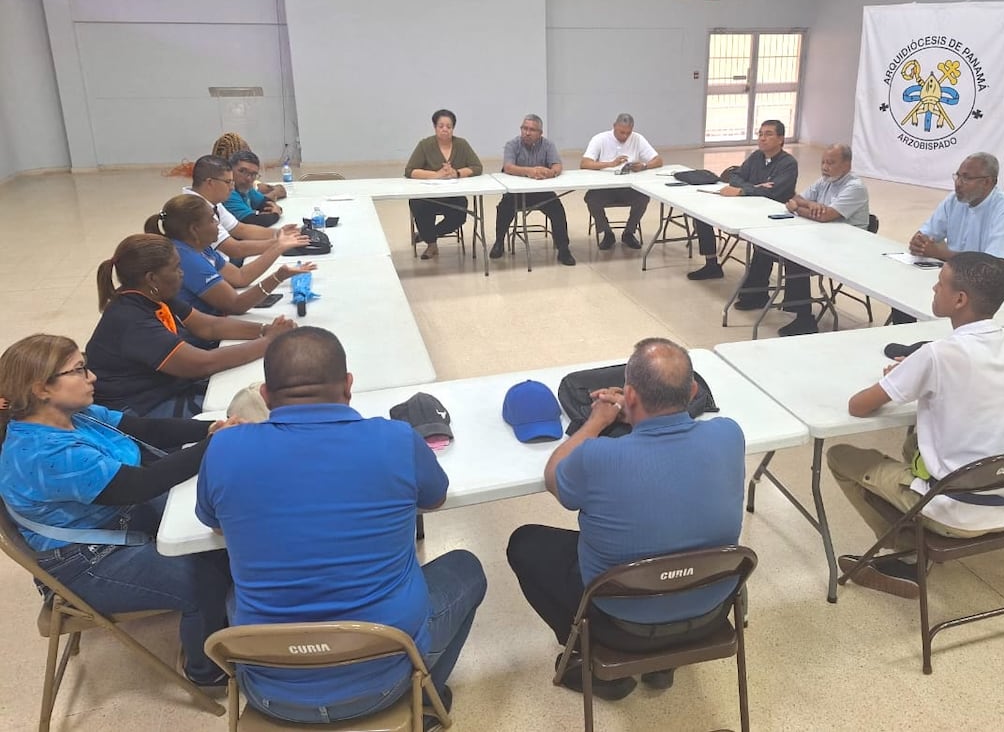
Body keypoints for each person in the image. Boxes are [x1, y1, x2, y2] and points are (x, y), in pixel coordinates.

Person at [196, 327, 487, 728]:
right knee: (468, 567)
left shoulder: (225, 448)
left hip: (268, 690)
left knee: (235, 591)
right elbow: (434, 498)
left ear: (264, 395)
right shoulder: (396, 439)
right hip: (385, 681)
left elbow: (214, 523)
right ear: (349, 385)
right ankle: (423, 699)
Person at [507, 338, 745, 700]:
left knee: (525, 543)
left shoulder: (597, 456)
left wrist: (596, 421)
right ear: (693, 391)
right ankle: (663, 665)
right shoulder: (729, 435)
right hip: (711, 612)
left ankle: (593, 661)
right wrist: (637, 414)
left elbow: (554, 475)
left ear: (630, 395)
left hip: (620, 626)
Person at [0, 334, 235, 687]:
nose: (92, 377)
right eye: (79, 370)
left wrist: (213, 428)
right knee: (203, 582)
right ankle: (206, 672)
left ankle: (221, 622)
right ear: (41, 389)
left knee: (217, 533)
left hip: (115, 518)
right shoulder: (47, 454)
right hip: (85, 560)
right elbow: (140, 485)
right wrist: (214, 444)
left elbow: (146, 428)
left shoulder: (76, 416)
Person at [828, 252, 1004, 598]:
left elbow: (859, 405)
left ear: (960, 300)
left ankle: (906, 555)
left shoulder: (937, 355)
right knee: (915, 443)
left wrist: (904, 373)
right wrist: (916, 370)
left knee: (840, 456)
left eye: (940, 283)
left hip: (955, 511)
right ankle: (912, 545)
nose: (934, 288)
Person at [87, 233, 295, 418]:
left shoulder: (153, 296)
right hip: (139, 408)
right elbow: (202, 364)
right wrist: (269, 342)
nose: (182, 273)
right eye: (176, 268)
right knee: (256, 409)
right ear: (152, 278)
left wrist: (265, 330)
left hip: (164, 388)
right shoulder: (131, 319)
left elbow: (209, 327)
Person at [733, 143, 870, 336]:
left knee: (795, 256)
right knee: (767, 243)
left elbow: (824, 215)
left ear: (847, 165)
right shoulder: (825, 181)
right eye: (823, 162)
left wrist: (798, 208)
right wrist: (808, 205)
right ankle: (756, 293)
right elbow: (795, 198)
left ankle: (805, 318)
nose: (825, 167)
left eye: (831, 163)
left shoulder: (854, 187)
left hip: (847, 246)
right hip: (822, 236)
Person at [146, 194, 315, 316]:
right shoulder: (186, 259)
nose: (217, 223)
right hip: (204, 340)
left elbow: (240, 277)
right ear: (194, 229)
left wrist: (278, 246)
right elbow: (236, 305)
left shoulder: (199, 246)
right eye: (212, 219)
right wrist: (278, 275)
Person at [685, 120, 798, 281]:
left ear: (780, 139)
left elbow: (772, 192)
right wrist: (752, 187)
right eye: (760, 134)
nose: (762, 138)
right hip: (745, 204)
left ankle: (757, 285)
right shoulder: (757, 156)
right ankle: (711, 264)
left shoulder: (788, 164)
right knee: (702, 214)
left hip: (768, 214)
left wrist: (742, 190)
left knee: (762, 245)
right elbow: (735, 176)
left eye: (768, 134)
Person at [490, 114, 576, 266]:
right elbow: (508, 167)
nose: (527, 133)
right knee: (504, 208)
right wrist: (529, 171)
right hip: (516, 193)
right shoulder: (512, 144)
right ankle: (499, 242)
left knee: (557, 209)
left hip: (541, 192)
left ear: (540, 133)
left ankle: (563, 249)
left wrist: (551, 172)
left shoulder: (548, 145)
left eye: (532, 130)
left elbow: (557, 165)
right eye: (524, 128)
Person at [186, 155, 307, 262]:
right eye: (228, 182)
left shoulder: (212, 201)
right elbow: (235, 249)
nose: (232, 187)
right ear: (210, 183)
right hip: (218, 268)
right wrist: (280, 243)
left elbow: (241, 229)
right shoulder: (195, 210)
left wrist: (280, 233)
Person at [404, 109, 484, 260]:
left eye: (449, 126)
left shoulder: (461, 144)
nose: (445, 129)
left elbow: (477, 167)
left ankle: (426, 235)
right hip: (428, 196)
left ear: (453, 128)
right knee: (417, 204)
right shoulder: (425, 145)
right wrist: (436, 175)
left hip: (453, 196)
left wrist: (457, 173)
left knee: (460, 213)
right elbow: (410, 171)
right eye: (441, 126)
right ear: (435, 127)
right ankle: (431, 244)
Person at [579, 113, 663, 251]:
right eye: (621, 132)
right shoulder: (600, 139)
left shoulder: (637, 138)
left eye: (628, 133)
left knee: (643, 198)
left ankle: (629, 232)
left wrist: (644, 166)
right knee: (591, 199)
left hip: (629, 187)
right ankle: (607, 233)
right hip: (604, 187)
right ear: (614, 126)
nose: (624, 136)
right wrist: (610, 164)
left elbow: (658, 160)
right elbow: (584, 163)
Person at [224, 150, 287, 227]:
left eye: (253, 174)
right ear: (230, 170)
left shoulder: (246, 188)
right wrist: (275, 214)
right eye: (242, 171)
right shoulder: (227, 191)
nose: (248, 178)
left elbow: (267, 203)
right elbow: (250, 221)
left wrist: (275, 210)